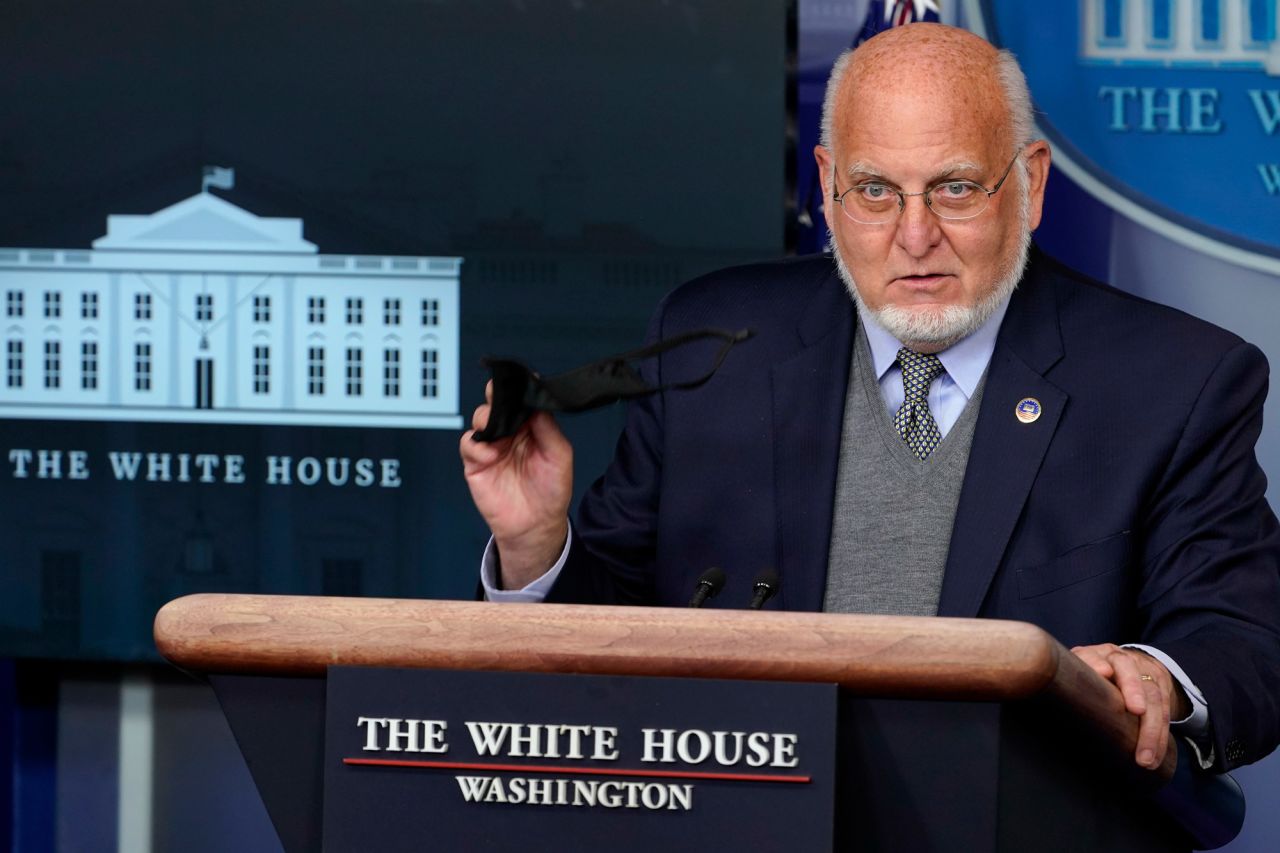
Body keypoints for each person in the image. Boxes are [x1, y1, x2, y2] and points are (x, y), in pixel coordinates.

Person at [459, 23, 1280, 776]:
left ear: (1028, 183)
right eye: (876, 191)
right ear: (827, 188)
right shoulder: (718, 340)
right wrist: (536, 546)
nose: (913, 235)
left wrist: (1161, 679)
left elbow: (1243, 643)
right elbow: (607, 639)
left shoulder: (1176, 380)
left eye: (955, 188)